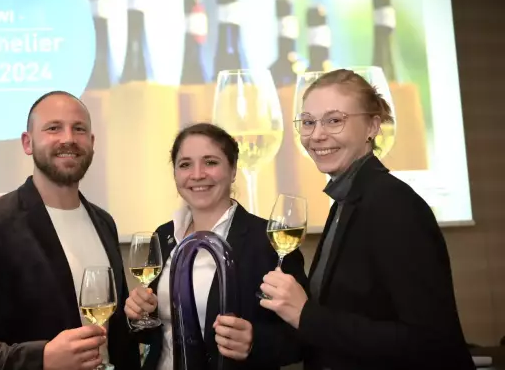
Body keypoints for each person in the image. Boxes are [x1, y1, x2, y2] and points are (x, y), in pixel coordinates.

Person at [259, 69, 474, 370]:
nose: (316, 134)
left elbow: (430, 342)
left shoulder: (394, 204)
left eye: (334, 120)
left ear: (372, 126)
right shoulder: (347, 200)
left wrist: (306, 315)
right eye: (308, 122)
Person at [0, 91, 140, 370]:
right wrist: (42, 358)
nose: (68, 138)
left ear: (91, 143)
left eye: (79, 129)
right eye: (53, 128)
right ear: (27, 143)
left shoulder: (104, 222)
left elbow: (116, 334)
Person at [124, 122, 308, 370]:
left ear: (233, 170)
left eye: (210, 162)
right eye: (185, 164)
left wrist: (254, 342)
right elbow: (155, 333)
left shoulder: (269, 240)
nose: (197, 174)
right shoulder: (163, 235)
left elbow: (303, 337)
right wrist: (137, 315)